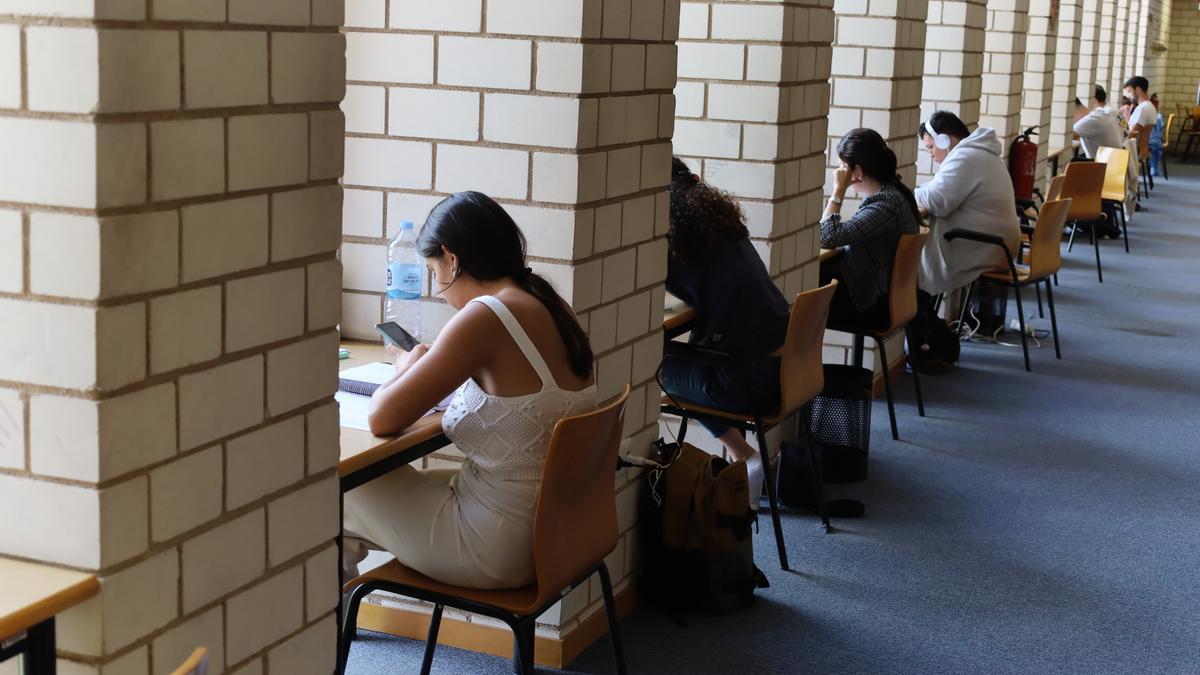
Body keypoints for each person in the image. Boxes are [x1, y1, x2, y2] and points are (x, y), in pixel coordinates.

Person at [342, 191, 597, 589]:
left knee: (331, 492)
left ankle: (325, 620)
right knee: (361, 498)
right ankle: (340, 613)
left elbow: (382, 417)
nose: (439, 290)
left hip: (498, 545)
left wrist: (406, 368)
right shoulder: (549, 304)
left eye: (434, 272)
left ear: (452, 259)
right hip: (556, 529)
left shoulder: (486, 315)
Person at [659, 158, 791, 509]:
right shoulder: (722, 228)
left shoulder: (678, 240)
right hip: (783, 370)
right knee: (698, 358)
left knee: (655, 370)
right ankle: (743, 464)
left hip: (747, 380)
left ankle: (746, 457)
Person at [819, 128, 921, 330]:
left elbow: (826, 237)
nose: (839, 173)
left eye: (842, 167)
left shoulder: (885, 203)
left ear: (857, 171)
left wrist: (838, 191)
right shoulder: (892, 192)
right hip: (887, 298)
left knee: (801, 291)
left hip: (873, 305)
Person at [914, 111, 1021, 297]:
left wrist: (911, 193)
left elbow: (938, 201)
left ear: (944, 140)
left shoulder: (965, 157)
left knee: (908, 266)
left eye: (931, 147)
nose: (930, 154)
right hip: (999, 244)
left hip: (987, 245)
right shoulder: (979, 153)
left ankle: (918, 305)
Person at [1073, 85, 1123, 159]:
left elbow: (1067, 137)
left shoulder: (1091, 119)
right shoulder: (1100, 115)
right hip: (1114, 161)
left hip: (1105, 164)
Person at [1147, 92, 1165, 176]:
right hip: (1149, 140)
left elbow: (1160, 129)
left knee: (1156, 146)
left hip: (1154, 140)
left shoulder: (1158, 116)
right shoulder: (1153, 116)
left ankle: (1154, 166)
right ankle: (1153, 166)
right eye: (1155, 103)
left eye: (1157, 103)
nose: (1157, 106)